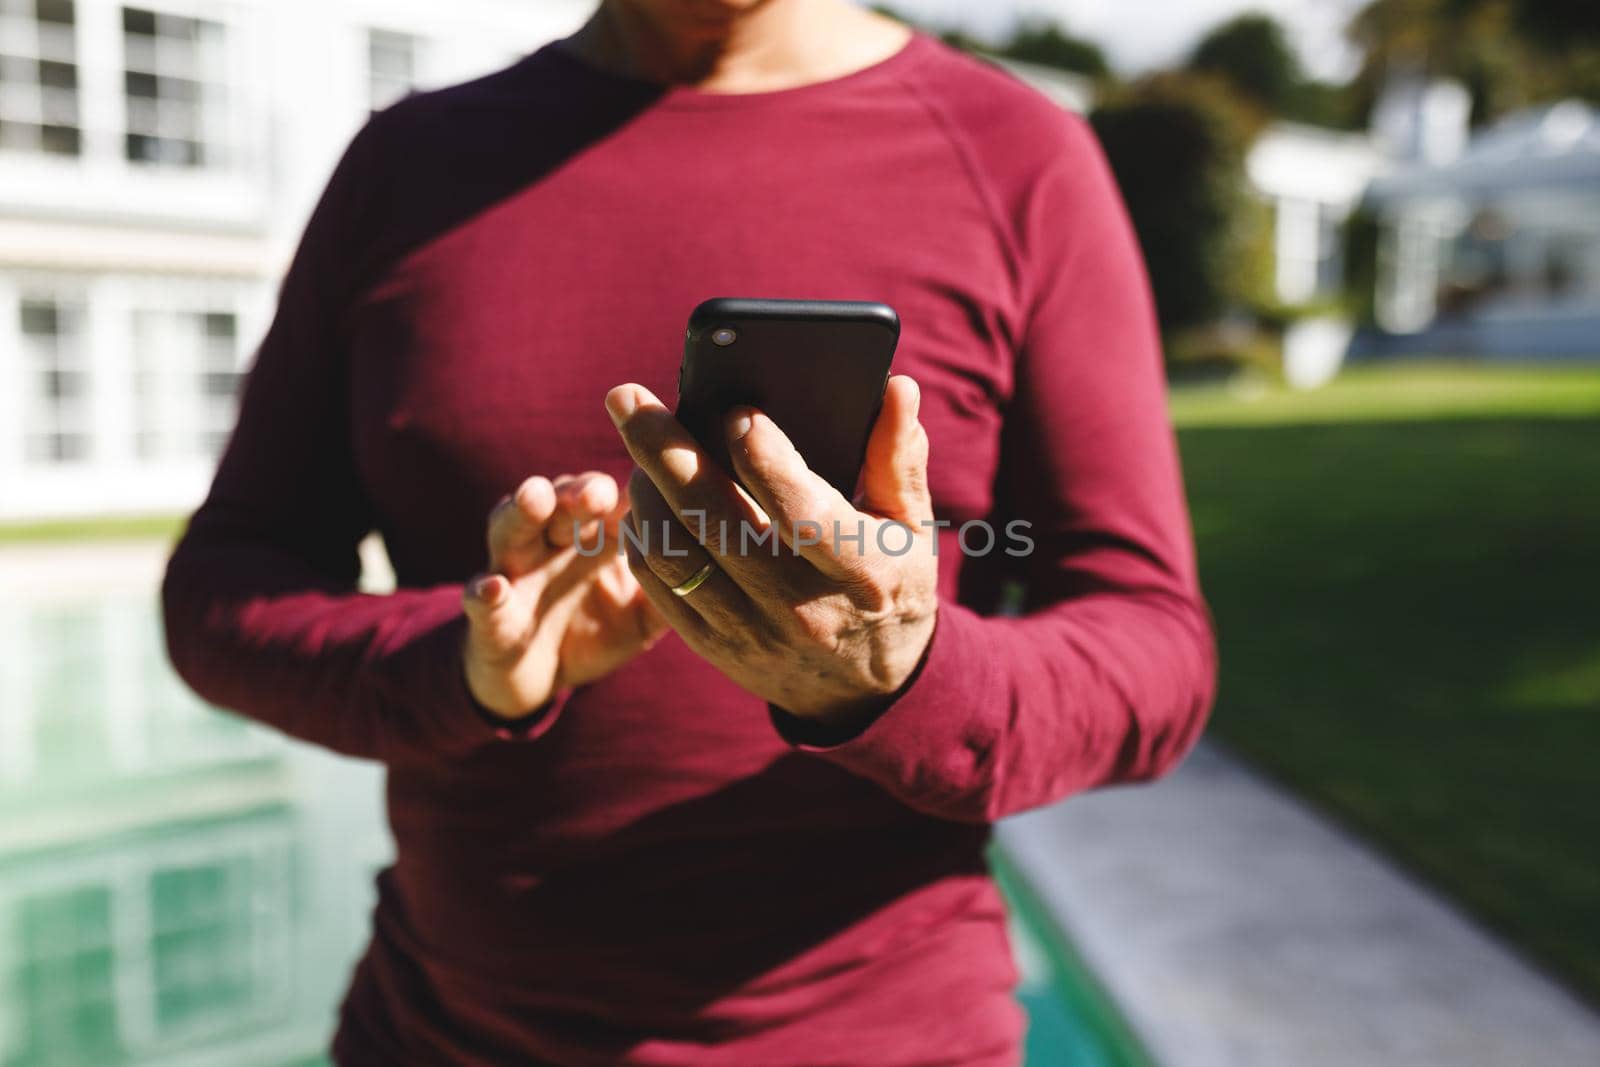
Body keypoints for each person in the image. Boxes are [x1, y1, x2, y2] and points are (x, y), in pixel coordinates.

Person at [161, 0, 1217, 1063]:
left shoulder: (1014, 155)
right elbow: (221, 590)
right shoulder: (406, 167)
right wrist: (465, 663)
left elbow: (1156, 648)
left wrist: (908, 674)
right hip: (436, 1033)